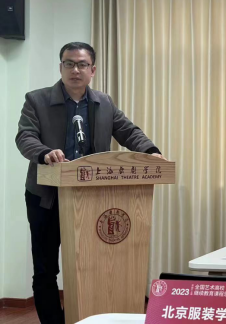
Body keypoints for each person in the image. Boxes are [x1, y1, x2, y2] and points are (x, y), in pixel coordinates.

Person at [15, 42, 165, 324]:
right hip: (47, 196)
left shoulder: (103, 102)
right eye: (69, 63)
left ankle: (90, 316)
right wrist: (45, 153)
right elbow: (25, 137)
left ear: (92, 70)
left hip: (94, 197)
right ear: (60, 67)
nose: (75, 70)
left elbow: (127, 131)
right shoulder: (37, 100)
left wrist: (150, 151)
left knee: (92, 263)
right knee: (46, 269)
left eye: (82, 64)